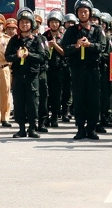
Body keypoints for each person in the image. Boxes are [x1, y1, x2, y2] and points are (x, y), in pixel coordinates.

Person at [62, 0, 106, 140]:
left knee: (93, 99)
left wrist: (90, 45)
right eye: (80, 12)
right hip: (77, 70)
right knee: (79, 99)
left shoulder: (97, 30)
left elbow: (103, 47)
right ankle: (80, 128)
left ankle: (92, 128)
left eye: (85, 12)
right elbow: (64, 48)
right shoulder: (71, 31)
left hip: (93, 69)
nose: (83, 14)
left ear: (90, 13)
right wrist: (76, 46)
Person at [5, 8, 47, 138]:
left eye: (27, 22)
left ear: (32, 24)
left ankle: (32, 128)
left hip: (32, 75)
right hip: (18, 75)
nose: (24, 25)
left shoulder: (36, 40)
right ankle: (21, 128)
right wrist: (17, 56)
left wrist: (29, 55)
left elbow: (42, 57)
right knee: (19, 101)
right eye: (22, 22)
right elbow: (7, 56)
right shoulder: (14, 40)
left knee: (33, 101)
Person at [43, 10, 66, 128]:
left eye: (56, 22)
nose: (54, 24)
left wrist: (55, 45)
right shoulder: (43, 36)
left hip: (58, 69)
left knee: (56, 95)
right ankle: (45, 117)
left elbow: (64, 53)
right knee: (45, 94)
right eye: (52, 22)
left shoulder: (63, 36)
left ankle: (54, 117)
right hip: (46, 69)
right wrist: (48, 45)